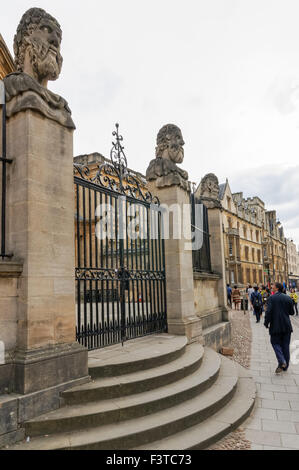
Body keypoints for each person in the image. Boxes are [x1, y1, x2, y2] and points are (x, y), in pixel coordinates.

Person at [264, 282, 295, 374]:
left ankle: (282, 361)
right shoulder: (288, 298)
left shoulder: (271, 298)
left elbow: (268, 312)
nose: (271, 287)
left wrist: (266, 323)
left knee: (275, 342)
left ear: (277, 288)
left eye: (273, 286)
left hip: (275, 326)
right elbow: (292, 313)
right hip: (287, 326)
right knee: (285, 346)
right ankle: (284, 367)